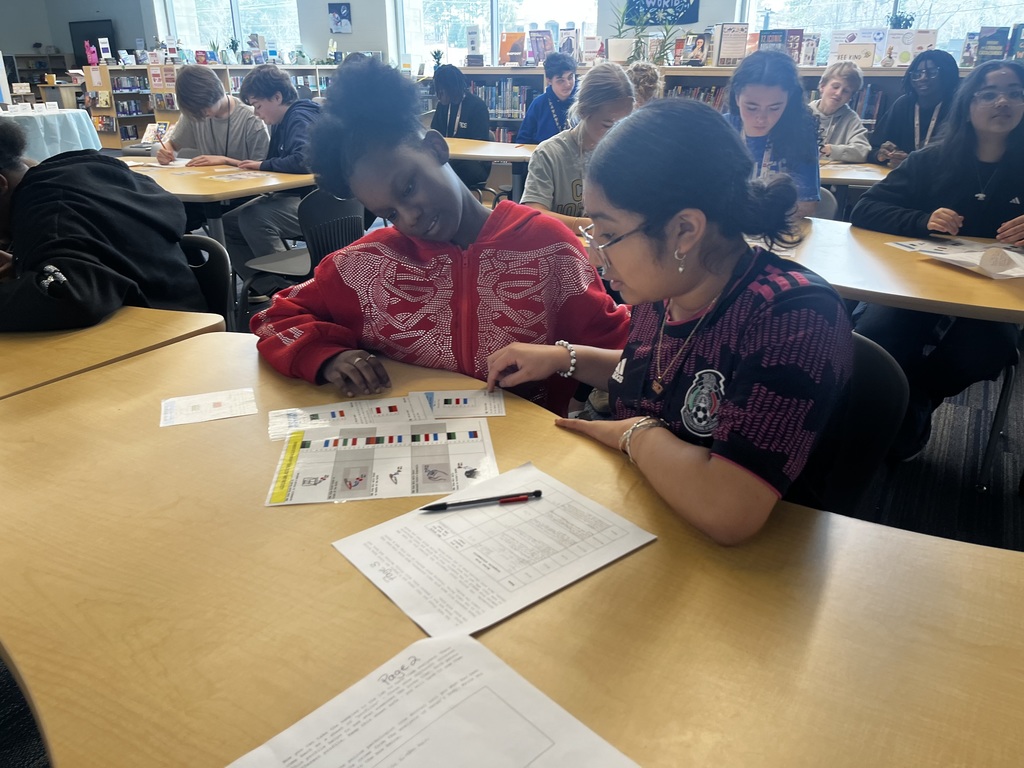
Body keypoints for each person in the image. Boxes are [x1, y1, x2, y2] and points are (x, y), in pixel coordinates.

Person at [485, 99, 853, 545]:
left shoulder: (794, 317)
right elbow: (658, 371)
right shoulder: (668, 286)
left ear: (684, 230)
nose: (595, 254)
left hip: (745, 563)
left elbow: (729, 510)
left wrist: (635, 435)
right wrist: (566, 357)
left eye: (608, 234)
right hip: (647, 514)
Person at [251, 58, 629, 416]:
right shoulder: (364, 266)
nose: (410, 216)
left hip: (524, 455)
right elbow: (273, 317)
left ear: (436, 148)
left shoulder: (549, 248)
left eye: (409, 187)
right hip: (408, 450)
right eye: (390, 214)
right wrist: (325, 356)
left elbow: (624, 349)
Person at [849, 59, 1024, 461]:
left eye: (1015, 93)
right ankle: (888, 411)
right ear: (967, 104)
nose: (1003, 102)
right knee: (877, 334)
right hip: (917, 284)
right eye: (989, 94)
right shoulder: (931, 159)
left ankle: (915, 400)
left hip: (996, 298)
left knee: (983, 352)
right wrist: (921, 219)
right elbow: (866, 210)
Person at [0, 122, 206, 331]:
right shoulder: (76, 178)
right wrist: (25, 264)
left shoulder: (49, 210)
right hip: (179, 319)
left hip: (163, 338)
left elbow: (70, 296)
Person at [223, 64, 319, 297]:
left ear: (277, 97)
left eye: (258, 106)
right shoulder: (281, 122)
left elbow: (303, 161)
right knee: (229, 222)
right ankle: (266, 290)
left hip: (321, 203)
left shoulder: (300, 116)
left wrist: (260, 165)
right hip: (301, 196)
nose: (256, 113)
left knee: (254, 218)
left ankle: (294, 295)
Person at [520, 62, 634, 232]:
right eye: (607, 124)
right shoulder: (550, 154)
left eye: (624, 125)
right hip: (562, 252)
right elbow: (533, 214)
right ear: (583, 112)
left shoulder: (628, 154)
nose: (616, 134)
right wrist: (586, 226)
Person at [156, 65, 269, 232]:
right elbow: (173, 145)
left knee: (223, 220)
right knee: (167, 217)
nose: (202, 114)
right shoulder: (195, 114)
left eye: (204, 107)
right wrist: (167, 151)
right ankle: (195, 259)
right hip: (204, 192)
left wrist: (225, 161)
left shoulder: (251, 119)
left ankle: (218, 256)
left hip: (243, 196)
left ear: (216, 93)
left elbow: (264, 170)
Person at [725, 50, 821, 217]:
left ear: (789, 99)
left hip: (776, 229)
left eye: (774, 108)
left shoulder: (800, 135)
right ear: (736, 96)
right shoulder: (721, 129)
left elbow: (806, 205)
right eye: (751, 107)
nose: (761, 118)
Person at [870, 49, 959, 168]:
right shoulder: (903, 105)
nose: (923, 78)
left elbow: (961, 158)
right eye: (917, 74)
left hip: (942, 182)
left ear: (947, 75)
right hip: (902, 180)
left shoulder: (957, 107)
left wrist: (913, 163)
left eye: (931, 72)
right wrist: (882, 155)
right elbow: (872, 149)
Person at [429, 64, 492, 188]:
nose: (439, 96)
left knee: (444, 172)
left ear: (452, 88)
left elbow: (480, 144)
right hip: (448, 159)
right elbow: (434, 133)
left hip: (473, 164)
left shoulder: (477, 106)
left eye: (441, 92)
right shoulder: (442, 106)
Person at [809, 61, 870, 162]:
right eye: (835, 87)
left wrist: (832, 150)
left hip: (834, 176)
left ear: (850, 97)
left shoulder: (851, 119)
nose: (838, 93)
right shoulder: (802, 113)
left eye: (846, 91)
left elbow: (863, 151)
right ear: (822, 86)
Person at [515, 52, 577, 144]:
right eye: (560, 80)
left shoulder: (582, 102)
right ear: (549, 80)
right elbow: (522, 140)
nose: (567, 84)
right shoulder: (538, 104)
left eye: (570, 78)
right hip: (543, 156)